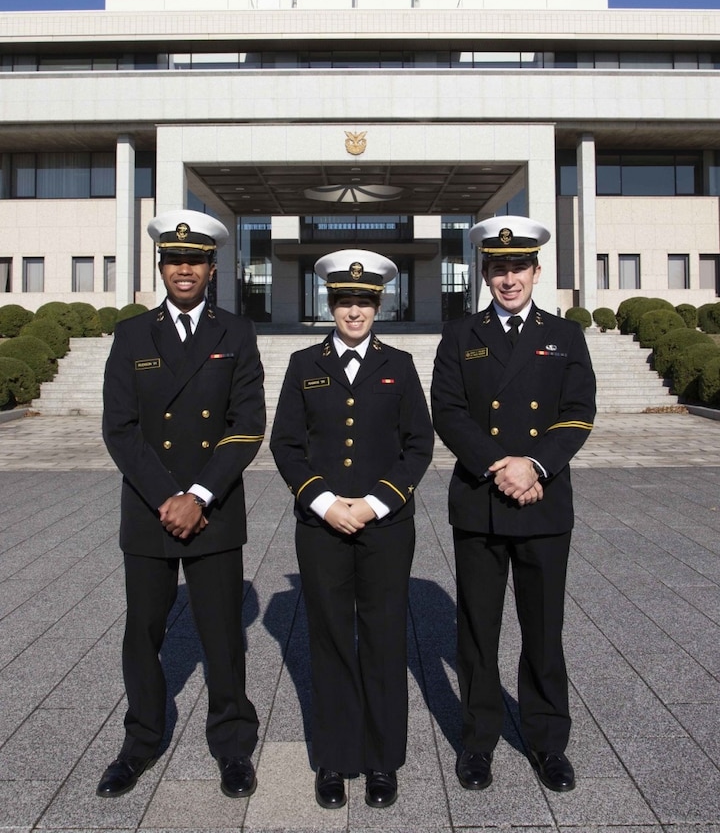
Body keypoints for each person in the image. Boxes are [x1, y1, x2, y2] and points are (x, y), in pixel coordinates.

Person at [97, 210, 265, 800]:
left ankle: (233, 746)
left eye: (195, 260)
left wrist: (197, 495)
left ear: (212, 268)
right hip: (149, 507)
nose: (184, 269)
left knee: (222, 635)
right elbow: (119, 429)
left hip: (212, 506)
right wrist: (167, 495)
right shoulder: (132, 334)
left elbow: (247, 425)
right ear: (161, 267)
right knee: (142, 632)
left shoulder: (236, 333)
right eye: (174, 260)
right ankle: (140, 741)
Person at [431, 217, 595, 794]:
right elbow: (447, 411)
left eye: (518, 267)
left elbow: (577, 412)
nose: (508, 278)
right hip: (481, 500)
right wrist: (502, 465)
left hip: (543, 501)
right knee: (477, 628)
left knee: (543, 628)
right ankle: (478, 741)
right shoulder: (460, 334)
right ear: (484, 272)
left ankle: (547, 742)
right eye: (498, 268)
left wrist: (536, 466)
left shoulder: (564, 334)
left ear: (536, 271)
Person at [270, 250, 433, 810]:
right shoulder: (302, 363)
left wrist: (373, 504)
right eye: (344, 301)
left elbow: (418, 446)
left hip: (385, 526)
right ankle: (337, 760)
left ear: (379, 304)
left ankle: (383, 760)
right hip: (321, 526)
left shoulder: (402, 364)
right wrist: (322, 502)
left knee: (385, 639)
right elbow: (286, 445)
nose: (355, 310)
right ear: (330, 304)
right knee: (332, 640)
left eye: (364, 300)